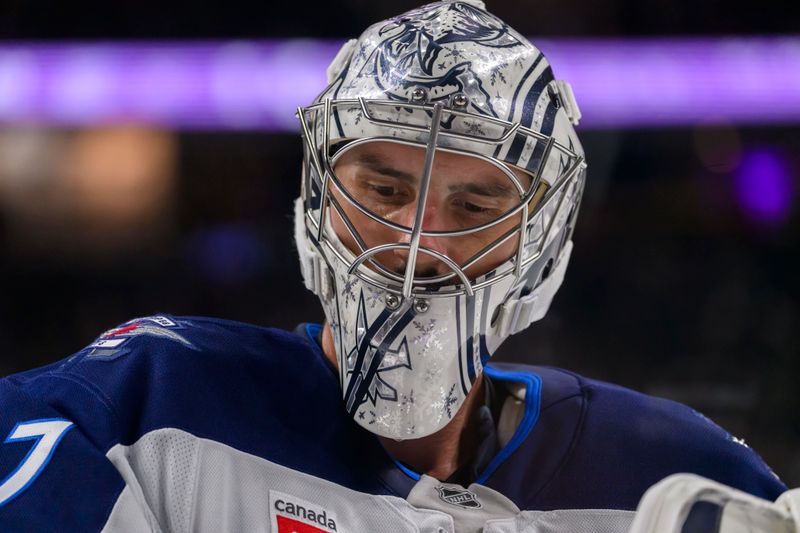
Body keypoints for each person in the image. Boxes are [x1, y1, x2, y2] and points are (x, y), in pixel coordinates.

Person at [0, 1, 788, 531]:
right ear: (316, 196)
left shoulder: (675, 476)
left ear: (543, 243)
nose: (419, 245)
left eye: (475, 206)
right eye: (383, 186)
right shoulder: (138, 408)